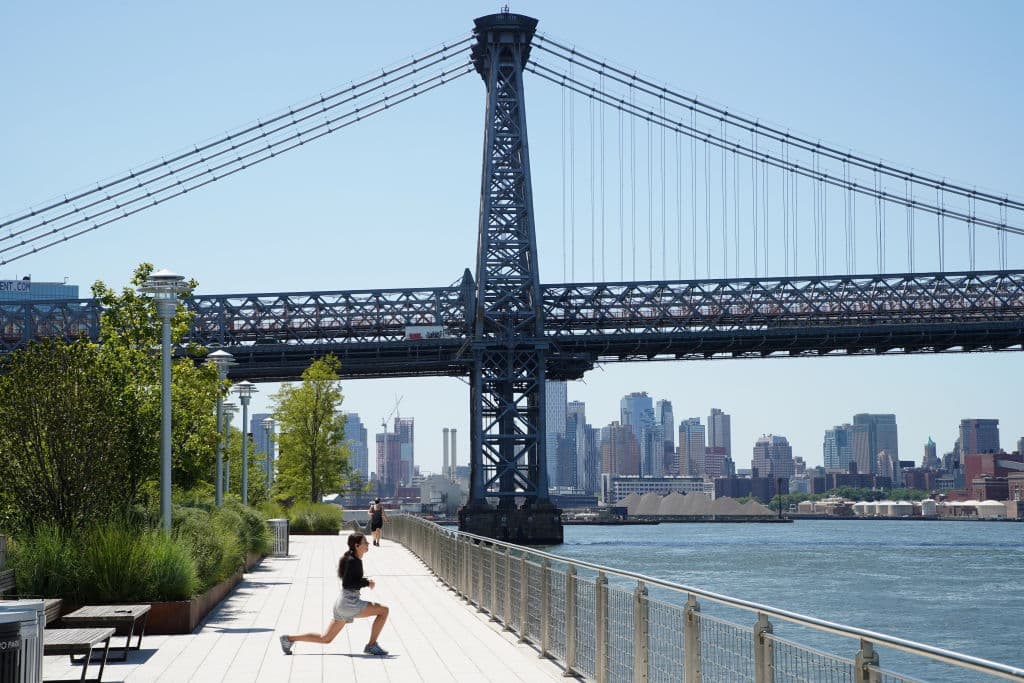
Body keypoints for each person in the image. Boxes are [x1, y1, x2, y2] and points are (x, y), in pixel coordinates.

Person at [279, 533, 389, 656]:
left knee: (325, 638)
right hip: (349, 603)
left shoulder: (353, 559)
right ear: (357, 546)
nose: (368, 544)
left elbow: (350, 581)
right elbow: (348, 583)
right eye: (365, 542)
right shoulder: (353, 561)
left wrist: (364, 582)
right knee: (384, 611)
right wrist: (366, 582)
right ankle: (371, 645)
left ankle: (288, 639)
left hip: (342, 603)